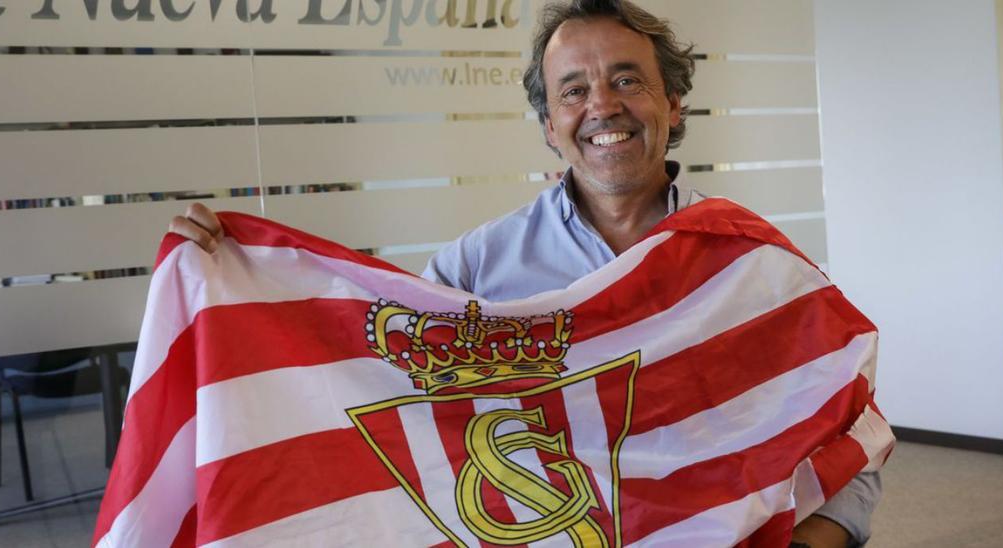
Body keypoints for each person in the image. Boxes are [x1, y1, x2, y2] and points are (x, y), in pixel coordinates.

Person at [168, 1, 879, 546]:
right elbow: (373, 376)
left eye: (627, 79)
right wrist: (228, 274)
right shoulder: (475, 268)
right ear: (548, 124)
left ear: (674, 104)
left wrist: (820, 538)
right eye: (573, 90)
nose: (602, 105)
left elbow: (851, 424)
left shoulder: (750, 265)